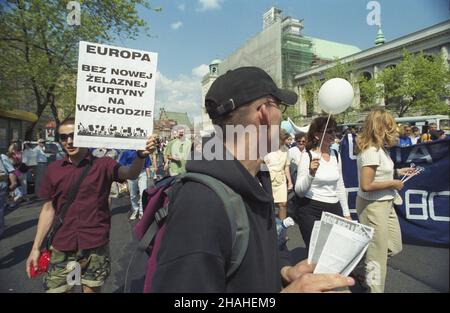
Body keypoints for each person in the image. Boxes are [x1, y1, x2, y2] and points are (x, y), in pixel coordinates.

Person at [150, 66, 354, 293]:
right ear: (265, 112)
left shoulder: (258, 176)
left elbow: (263, 252)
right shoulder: (201, 202)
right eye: (280, 107)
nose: (283, 117)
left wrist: (284, 271)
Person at [25, 118, 155, 293]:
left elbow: (130, 173)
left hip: (94, 244)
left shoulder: (103, 164)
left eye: (74, 135)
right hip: (62, 244)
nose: (69, 141)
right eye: (64, 137)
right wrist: (35, 248)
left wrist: (141, 156)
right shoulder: (54, 169)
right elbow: (48, 209)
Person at [355, 108, 413, 293]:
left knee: (393, 246)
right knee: (377, 255)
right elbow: (366, 184)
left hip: (385, 204)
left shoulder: (379, 150)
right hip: (373, 207)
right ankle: (374, 289)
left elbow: (379, 173)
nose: (396, 131)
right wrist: (393, 183)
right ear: (381, 128)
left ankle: (360, 268)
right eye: (391, 126)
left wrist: (398, 172)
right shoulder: (371, 151)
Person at [293, 116, 351, 251]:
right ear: (317, 135)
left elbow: (340, 185)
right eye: (329, 131)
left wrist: (346, 213)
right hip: (311, 209)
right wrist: (311, 174)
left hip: (333, 209)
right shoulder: (307, 156)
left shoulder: (336, 154)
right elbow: (299, 191)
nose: (333, 134)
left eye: (334, 131)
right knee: (316, 253)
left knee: (333, 252)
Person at [264, 129, 293, 220]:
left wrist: (290, 181)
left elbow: (286, 167)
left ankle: (282, 229)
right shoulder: (266, 148)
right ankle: (271, 228)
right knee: (269, 205)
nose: (284, 141)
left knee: (283, 204)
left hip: (281, 179)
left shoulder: (286, 149)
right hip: (268, 178)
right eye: (282, 139)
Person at [119, 149, 151, 220]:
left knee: (143, 193)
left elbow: (147, 165)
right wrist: (123, 179)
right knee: (133, 194)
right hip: (131, 173)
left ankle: (141, 212)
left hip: (142, 173)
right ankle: (135, 209)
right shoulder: (127, 152)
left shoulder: (143, 151)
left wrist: (149, 177)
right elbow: (121, 165)